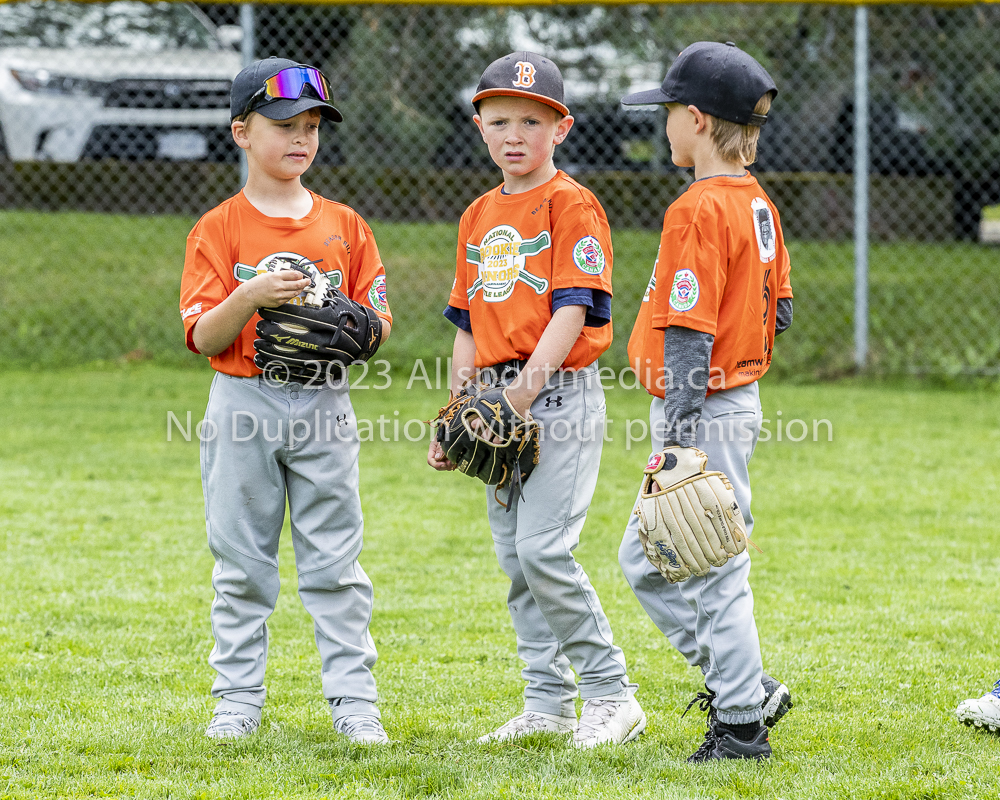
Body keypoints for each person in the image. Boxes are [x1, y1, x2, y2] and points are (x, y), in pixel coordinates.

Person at [427, 52, 645, 748]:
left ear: (563, 127)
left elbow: (573, 311)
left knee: (545, 550)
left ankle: (612, 695)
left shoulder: (570, 205)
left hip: (556, 397)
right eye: (499, 120)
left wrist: (518, 397)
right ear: (479, 127)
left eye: (532, 120)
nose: (514, 133)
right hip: (494, 397)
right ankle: (547, 703)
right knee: (517, 561)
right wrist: (457, 415)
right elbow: (466, 324)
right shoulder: (478, 215)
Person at [179, 58, 392, 743]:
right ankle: (237, 702)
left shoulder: (346, 226)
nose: (300, 139)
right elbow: (202, 335)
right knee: (241, 562)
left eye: (310, 126)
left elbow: (378, 324)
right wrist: (249, 295)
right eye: (282, 126)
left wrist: (359, 330)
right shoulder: (218, 229)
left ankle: (355, 705)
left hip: (325, 403)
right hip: (242, 401)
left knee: (336, 562)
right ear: (242, 132)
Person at [616, 42, 794, 761]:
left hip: (702, 410)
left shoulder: (697, 207)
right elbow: (778, 310)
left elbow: (688, 333)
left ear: (695, 120)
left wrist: (682, 440)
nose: (663, 128)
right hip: (733, 400)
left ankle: (743, 724)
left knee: (711, 568)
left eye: (667, 115)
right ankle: (747, 685)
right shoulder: (758, 204)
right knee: (644, 559)